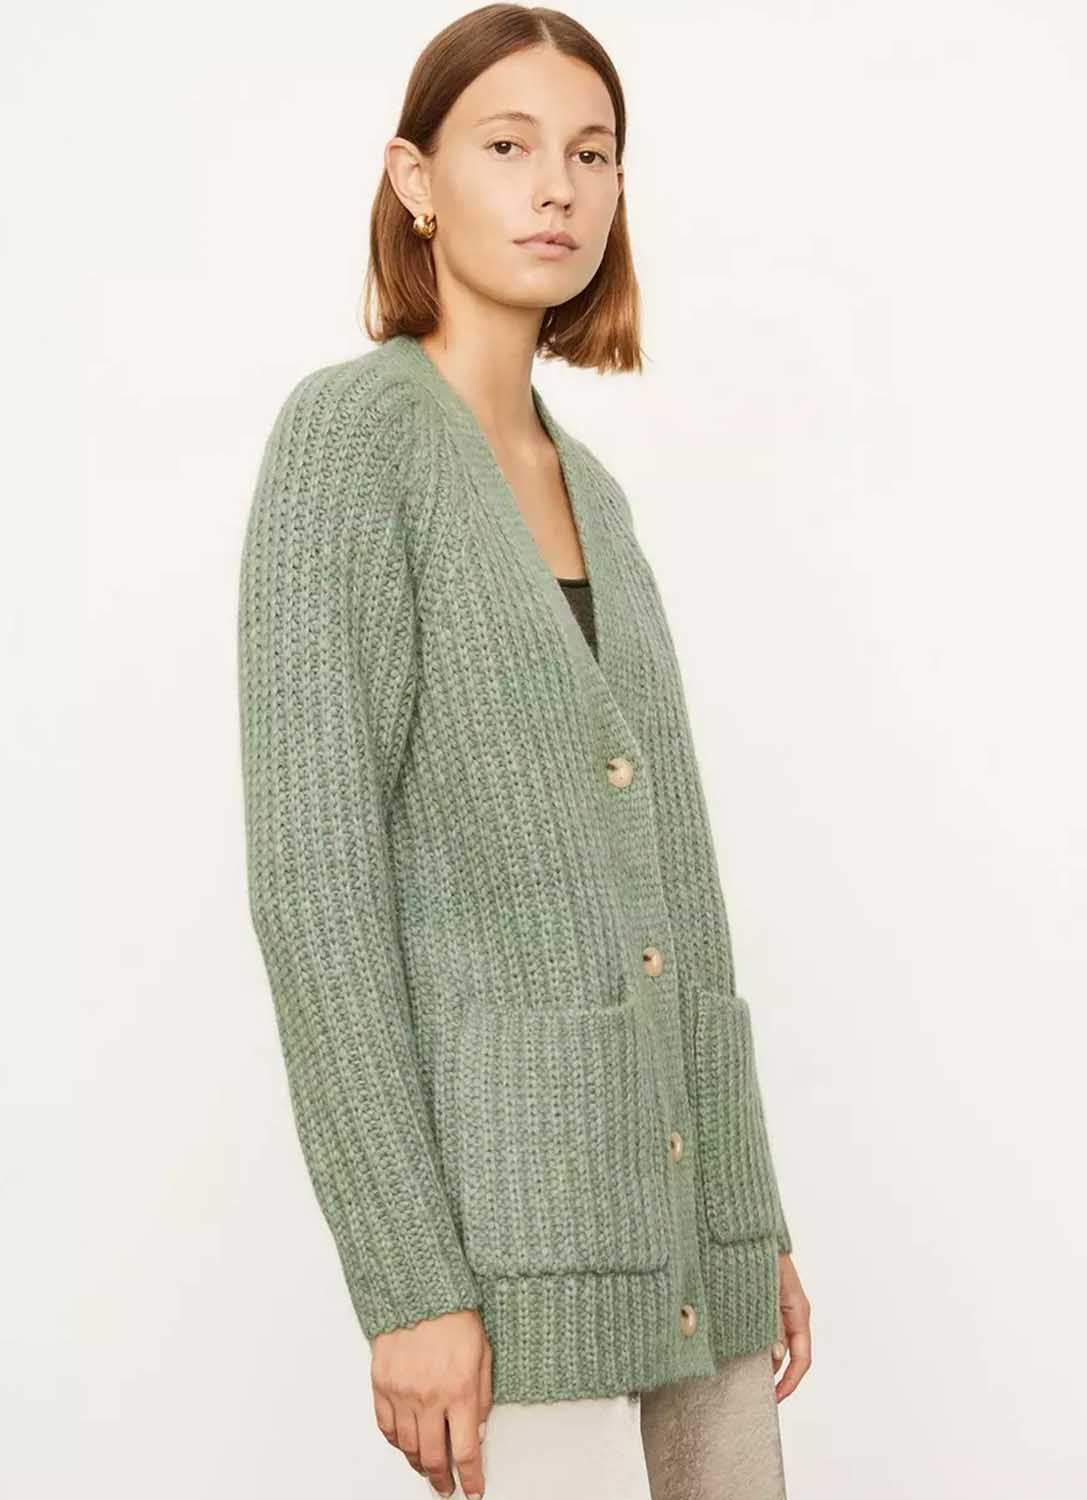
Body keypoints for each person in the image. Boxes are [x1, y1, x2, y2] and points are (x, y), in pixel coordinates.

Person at [236, 5, 813, 1496]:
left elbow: (679, 890)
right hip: (508, 1265)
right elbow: (317, 893)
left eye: (592, 153)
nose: (558, 186)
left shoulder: (594, 491)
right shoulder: (351, 443)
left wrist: (746, 1222)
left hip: (691, 1252)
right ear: (415, 179)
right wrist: (407, 1283)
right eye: (508, 146)